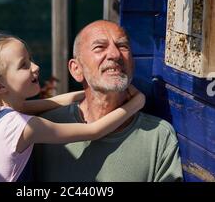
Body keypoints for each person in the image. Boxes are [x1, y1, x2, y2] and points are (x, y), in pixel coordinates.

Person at [0, 31, 145, 182]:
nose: (36, 67)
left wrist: (90, 91)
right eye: (24, 65)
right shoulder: (21, 127)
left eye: (30, 60)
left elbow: (48, 104)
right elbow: (93, 131)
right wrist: (137, 102)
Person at [34, 20, 184, 182]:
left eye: (123, 46)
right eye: (100, 47)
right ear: (76, 69)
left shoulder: (158, 136)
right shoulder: (46, 127)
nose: (115, 54)